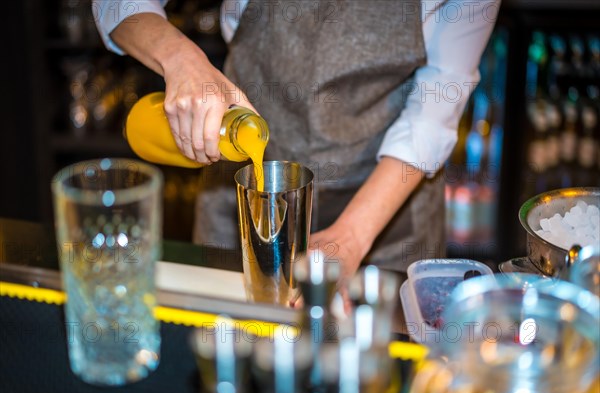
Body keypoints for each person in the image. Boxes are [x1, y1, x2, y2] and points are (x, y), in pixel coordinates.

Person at [94, 0, 500, 287]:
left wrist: (353, 236)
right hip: (240, 191)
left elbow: (436, 106)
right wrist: (180, 58)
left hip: (386, 201)